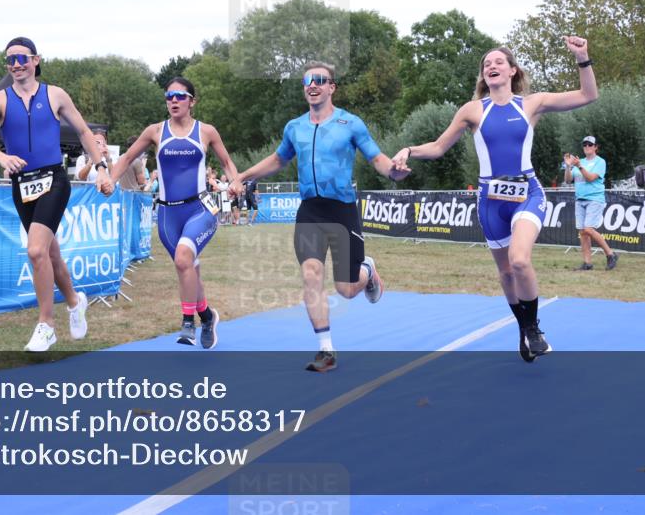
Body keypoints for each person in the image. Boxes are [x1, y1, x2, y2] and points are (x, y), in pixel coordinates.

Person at [392, 36, 599, 362]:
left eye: (498, 62)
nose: (492, 66)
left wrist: (582, 58)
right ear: (483, 76)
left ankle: (533, 329)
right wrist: (408, 151)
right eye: (486, 64)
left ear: (512, 71)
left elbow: (589, 95)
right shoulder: (472, 110)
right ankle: (522, 330)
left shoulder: (531, 104)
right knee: (505, 274)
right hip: (490, 201)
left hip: (527, 193)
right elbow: (438, 147)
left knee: (519, 260)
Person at [230, 61, 408, 372]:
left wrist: (393, 171)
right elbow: (277, 159)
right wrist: (244, 175)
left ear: (331, 87)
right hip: (310, 210)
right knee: (311, 274)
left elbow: (376, 157)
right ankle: (326, 350)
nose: (313, 85)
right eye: (307, 81)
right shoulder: (294, 127)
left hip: (341, 211)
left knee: (346, 289)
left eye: (320, 80)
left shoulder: (351, 124)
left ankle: (368, 269)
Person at [0, 36, 113, 352]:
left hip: (54, 179)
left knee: (36, 251)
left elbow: (84, 132)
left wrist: (102, 169)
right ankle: (76, 302)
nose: (16, 65)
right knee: (50, 254)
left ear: (36, 60)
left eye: (22, 58)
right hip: (22, 184)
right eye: (10, 60)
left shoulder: (56, 95)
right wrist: (3, 158)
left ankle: (46, 325)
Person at [107, 77, 238, 350]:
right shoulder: (155, 131)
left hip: (200, 209)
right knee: (186, 267)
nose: (174, 101)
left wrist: (235, 181)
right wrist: (110, 179)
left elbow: (226, 162)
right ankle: (207, 316)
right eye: (169, 96)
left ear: (192, 101)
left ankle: (188, 322)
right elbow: (128, 157)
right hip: (167, 216)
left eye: (180, 96)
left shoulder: (206, 131)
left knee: (183, 259)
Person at [564, 136, 618, 270]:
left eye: (590, 144)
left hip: (594, 199)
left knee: (588, 229)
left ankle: (610, 254)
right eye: (585, 144)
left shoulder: (600, 162)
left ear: (595, 147)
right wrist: (568, 166)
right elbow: (567, 180)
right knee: (583, 232)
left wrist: (579, 166)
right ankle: (587, 263)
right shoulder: (578, 162)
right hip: (580, 199)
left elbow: (590, 178)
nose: (587, 146)